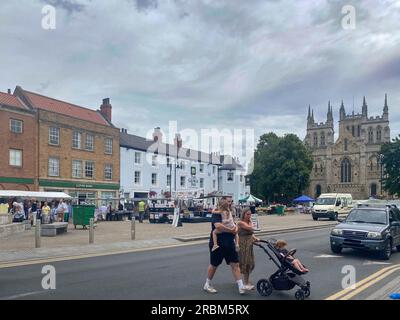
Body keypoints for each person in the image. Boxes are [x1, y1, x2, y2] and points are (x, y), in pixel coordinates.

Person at [204, 197, 247, 295]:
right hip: (218, 244)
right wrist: (231, 230)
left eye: (231, 201)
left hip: (229, 243)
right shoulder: (217, 213)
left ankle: (241, 286)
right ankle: (207, 284)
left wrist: (235, 228)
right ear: (223, 203)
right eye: (228, 201)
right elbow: (218, 226)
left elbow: (232, 223)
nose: (230, 203)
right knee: (214, 265)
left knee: (235, 264)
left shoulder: (229, 212)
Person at [237, 207, 260, 290]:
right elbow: (250, 228)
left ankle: (245, 281)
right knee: (245, 263)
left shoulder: (249, 222)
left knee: (250, 263)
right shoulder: (240, 223)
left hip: (249, 244)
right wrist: (252, 223)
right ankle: (244, 282)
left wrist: (255, 238)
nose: (249, 216)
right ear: (243, 214)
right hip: (243, 244)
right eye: (247, 214)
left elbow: (251, 233)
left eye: (250, 214)